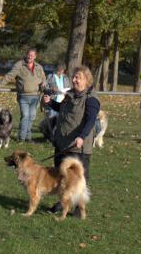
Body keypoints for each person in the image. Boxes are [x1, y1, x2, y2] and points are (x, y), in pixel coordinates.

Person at [42, 65, 100, 215]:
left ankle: (79, 209)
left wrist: (81, 136)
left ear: (87, 80)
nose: (74, 80)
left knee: (77, 180)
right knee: (62, 177)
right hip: (62, 144)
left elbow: (90, 120)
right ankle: (62, 205)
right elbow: (61, 108)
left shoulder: (91, 99)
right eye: (73, 77)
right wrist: (49, 103)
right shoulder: (70, 95)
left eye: (78, 77)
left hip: (78, 147)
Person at [0, 48, 46, 142]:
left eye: (32, 55)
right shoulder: (19, 65)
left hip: (36, 96)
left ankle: (28, 137)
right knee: (25, 115)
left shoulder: (39, 67)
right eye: (29, 54)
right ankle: (21, 137)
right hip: (24, 96)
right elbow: (9, 76)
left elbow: (43, 79)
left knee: (32, 117)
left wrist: (44, 84)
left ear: (35, 57)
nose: (30, 57)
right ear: (26, 55)